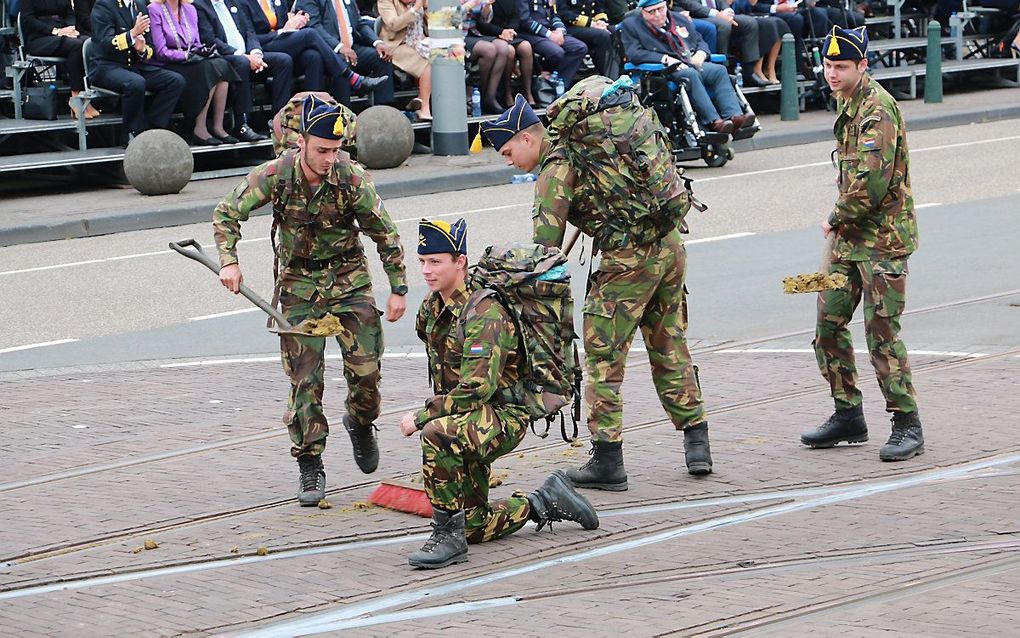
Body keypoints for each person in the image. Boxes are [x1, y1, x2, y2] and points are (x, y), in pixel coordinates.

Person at [481, 90, 713, 490]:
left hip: (626, 261)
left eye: (507, 152)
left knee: (604, 357)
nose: (509, 163)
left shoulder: (556, 167)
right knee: (669, 342)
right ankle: (697, 442)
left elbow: (545, 249)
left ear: (527, 138)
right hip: (669, 244)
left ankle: (608, 459)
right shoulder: (594, 141)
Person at [213, 97, 409, 505]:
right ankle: (310, 464)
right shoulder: (276, 174)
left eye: (335, 151)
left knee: (367, 375)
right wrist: (229, 262)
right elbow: (227, 212)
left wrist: (398, 288)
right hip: (298, 284)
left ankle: (360, 422)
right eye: (322, 150)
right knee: (305, 380)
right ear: (301, 142)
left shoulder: (351, 179)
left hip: (348, 280)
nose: (329, 159)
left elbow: (385, 233)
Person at [399, 218, 599, 569]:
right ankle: (544, 501)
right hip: (470, 417)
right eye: (422, 262)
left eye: (436, 262)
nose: (426, 271)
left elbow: (477, 388)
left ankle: (446, 536)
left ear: (460, 262)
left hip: (503, 416)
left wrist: (422, 415)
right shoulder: (431, 309)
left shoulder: (485, 313)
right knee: (476, 525)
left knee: (436, 434)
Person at [799, 26, 924, 462]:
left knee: (882, 333)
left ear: (862, 66)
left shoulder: (877, 110)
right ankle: (848, 413)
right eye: (828, 65)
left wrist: (834, 217)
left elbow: (872, 182)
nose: (831, 73)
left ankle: (907, 422)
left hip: (882, 243)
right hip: (848, 242)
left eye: (841, 66)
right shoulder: (847, 102)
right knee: (827, 327)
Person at [622, 0, 753, 135]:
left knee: (719, 71)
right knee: (690, 74)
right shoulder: (632, 25)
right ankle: (714, 121)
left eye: (660, 9)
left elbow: (699, 41)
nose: (658, 15)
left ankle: (735, 116)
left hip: (690, 61)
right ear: (642, 11)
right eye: (651, 11)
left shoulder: (679, 19)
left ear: (666, 6)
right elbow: (634, 53)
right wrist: (665, 59)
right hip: (664, 70)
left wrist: (701, 54)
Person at [242, 0, 385, 104]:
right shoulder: (243, 3)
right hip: (260, 48)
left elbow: (285, 22)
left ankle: (314, 109)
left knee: (313, 56)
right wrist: (283, 30)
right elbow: (249, 37)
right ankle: (351, 77)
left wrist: (297, 19)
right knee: (310, 34)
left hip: (281, 42)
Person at [148, 0, 243, 145]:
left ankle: (218, 126)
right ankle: (200, 128)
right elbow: (161, 51)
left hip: (192, 60)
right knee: (208, 69)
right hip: (168, 64)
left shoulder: (190, 9)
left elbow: (196, 43)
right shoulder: (154, 9)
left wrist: (202, 51)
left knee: (221, 64)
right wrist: (185, 56)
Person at [88, 0, 186, 140]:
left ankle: (154, 129)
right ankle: (130, 133)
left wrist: (142, 50)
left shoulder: (139, 5)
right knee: (135, 83)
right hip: (106, 66)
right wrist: (132, 33)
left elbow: (150, 45)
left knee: (175, 81)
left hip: (134, 65)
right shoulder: (104, 5)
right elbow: (105, 42)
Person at [194, 0, 293, 136]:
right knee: (241, 62)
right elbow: (210, 40)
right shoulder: (200, 6)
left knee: (283, 60)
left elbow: (249, 31)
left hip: (247, 54)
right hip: (223, 56)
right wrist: (243, 56)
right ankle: (241, 123)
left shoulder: (232, 2)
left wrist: (255, 53)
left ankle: (279, 121)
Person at [296, 0, 395, 106]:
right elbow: (314, 28)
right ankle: (345, 115)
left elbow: (359, 24)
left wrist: (377, 42)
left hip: (352, 48)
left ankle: (384, 111)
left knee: (381, 57)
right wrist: (339, 47)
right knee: (342, 61)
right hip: (327, 52)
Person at [20, 0, 100, 118]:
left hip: (64, 32)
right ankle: (75, 97)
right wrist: (55, 31)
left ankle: (85, 97)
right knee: (76, 46)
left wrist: (70, 27)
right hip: (39, 37)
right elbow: (28, 19)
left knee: (88, 42)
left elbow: (70, 13)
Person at [673, 0, 768, 87]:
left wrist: (727, 11)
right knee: (724, 25)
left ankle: (749, 72)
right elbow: (690, 4)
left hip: (718, 14)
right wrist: (718, 14)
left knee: (749, 23)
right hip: (695, 15)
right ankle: (724, 70)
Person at [472, 0, 537, 107]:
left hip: (509, 34)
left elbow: (516, 16)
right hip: (491, 33)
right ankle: (507, 93)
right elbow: (481, 24)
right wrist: (500, 32)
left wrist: (510, 31)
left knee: (526, 47)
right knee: (509, 51)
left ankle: (528, 93)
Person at [377, 0, 431, 120]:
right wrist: (415, 9)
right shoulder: (385, 1)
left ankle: (422, 100)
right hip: (397, 46)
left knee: (446, 55)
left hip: (421, 42)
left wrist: (426, 9)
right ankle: (424, 108)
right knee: (428, 61)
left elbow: (433, 25)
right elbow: (393, 25)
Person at [518, 0, 589, 88]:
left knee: (579, 47)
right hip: (530, 34)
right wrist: (549, 34)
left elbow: (553, 14)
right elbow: (524, 20)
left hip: (549, 31)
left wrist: (560, 30)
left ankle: (560, 86)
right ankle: (545, 78)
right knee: (556, 52)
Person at [732, 0, 790, 84]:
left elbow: (749, 6)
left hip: (749, 14)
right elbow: (734, 7)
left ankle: (770, 68)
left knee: (779, 23)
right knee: (765, 24)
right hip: (733, 16)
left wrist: (750, 3)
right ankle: (757, 69)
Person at [555, 0, 614, 77]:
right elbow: (563, 14)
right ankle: (607, 76)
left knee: (615, 31)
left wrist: (601, 22)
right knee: (602, 35)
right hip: (570, 26)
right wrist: (591, 23)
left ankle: (619, 73)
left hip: (593, 25)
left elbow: (599, 8)